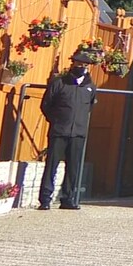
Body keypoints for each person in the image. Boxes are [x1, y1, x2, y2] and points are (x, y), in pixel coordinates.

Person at [38, 58, 99, 209]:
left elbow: (89, 107)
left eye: (85, 65)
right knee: (51, 165)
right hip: (59, 131)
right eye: (79, 64)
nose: (82, 67)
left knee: (73, 167)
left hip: (78, 133)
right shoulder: (59, 83)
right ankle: (45, 199)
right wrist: (56, 120)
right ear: (73, 64)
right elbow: (46, 105)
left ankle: (67, 199)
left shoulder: (90, 87)